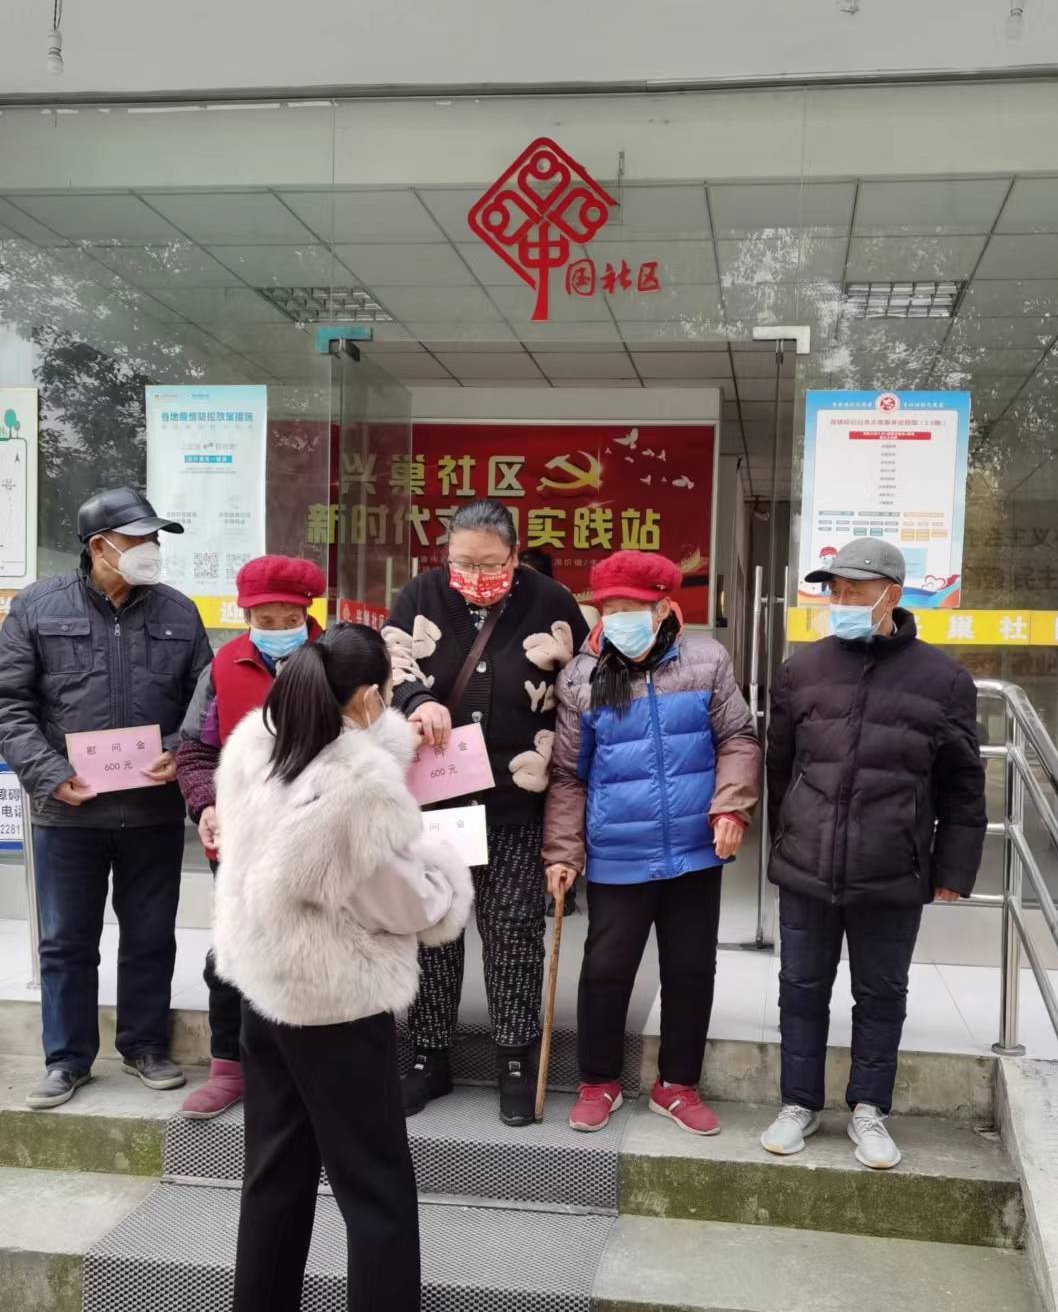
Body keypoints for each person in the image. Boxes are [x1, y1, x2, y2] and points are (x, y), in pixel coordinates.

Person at [211, 622, 472, 1312]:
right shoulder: (357, 791)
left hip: (264, 992)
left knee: (273, 1182)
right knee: (378, 1196)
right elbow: (408, 905)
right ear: (365, 699)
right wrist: (442, 867)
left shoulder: (257, 741)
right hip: (336, 1002)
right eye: (386, 692)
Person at [760, 539, 987, 1169]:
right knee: (800, 989)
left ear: (892, 594)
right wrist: (786, 838)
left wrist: (952, 867)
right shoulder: (802, 670)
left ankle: (869, 1109)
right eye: (834, 590)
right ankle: (798, 1103)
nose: (841, 601)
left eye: (854, 591)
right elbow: (780, 766)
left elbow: (963, 784)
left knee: (881, 993)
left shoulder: (943, 680)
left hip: (892, 866)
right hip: (808, 865)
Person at [0, 488, 211, 1110]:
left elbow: (205, 704)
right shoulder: (37, 607)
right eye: (140, 539)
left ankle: (145, 1047)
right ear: (100, 546)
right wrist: (48, 772)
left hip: (151, 810)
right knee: (66, 941)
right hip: (68, 810)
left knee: (150, 935)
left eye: (155, 539)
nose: (152, 549)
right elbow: (9, 705)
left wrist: (176, 749)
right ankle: (66, 1059)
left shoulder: (178, 611)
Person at [383, 499, 589, 1125]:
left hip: (514, 804)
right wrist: (416, 700)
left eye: (489, 563)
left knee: (513, 933)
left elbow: (580, 691)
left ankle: (516, 1059)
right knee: (434, 931)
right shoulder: (420, 594)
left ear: (515, 556)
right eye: (462, 562)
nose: (474, 575)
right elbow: (389, 664)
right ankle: (427, 1056)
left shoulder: (552, 602)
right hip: (436, 804)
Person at [543, 550, 760, 1137]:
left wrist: (731, 806)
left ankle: (677, 1086)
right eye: (609, 608)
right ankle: (598, 1081)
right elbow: (568, 775)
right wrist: (562, 852)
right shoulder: (582, 677)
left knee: (691, 967)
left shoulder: (706, 660)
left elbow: (738, 738)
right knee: (607, 968)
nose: (618, 619)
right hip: (618, 850)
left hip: (695, 849)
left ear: (664, 608)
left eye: (631, 608)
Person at [174, 554, 326, 1119]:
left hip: (316, 839)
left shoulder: (335, 662)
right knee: (232, 951)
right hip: (241, 838)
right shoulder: (224, 665)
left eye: (289, 618)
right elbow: (195, 750)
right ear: (245, 617)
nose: (277, 628)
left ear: (307, 613)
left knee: (312, 950)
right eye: (265, 619)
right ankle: (228, 1067)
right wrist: (206, 805)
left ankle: (308, 1072)